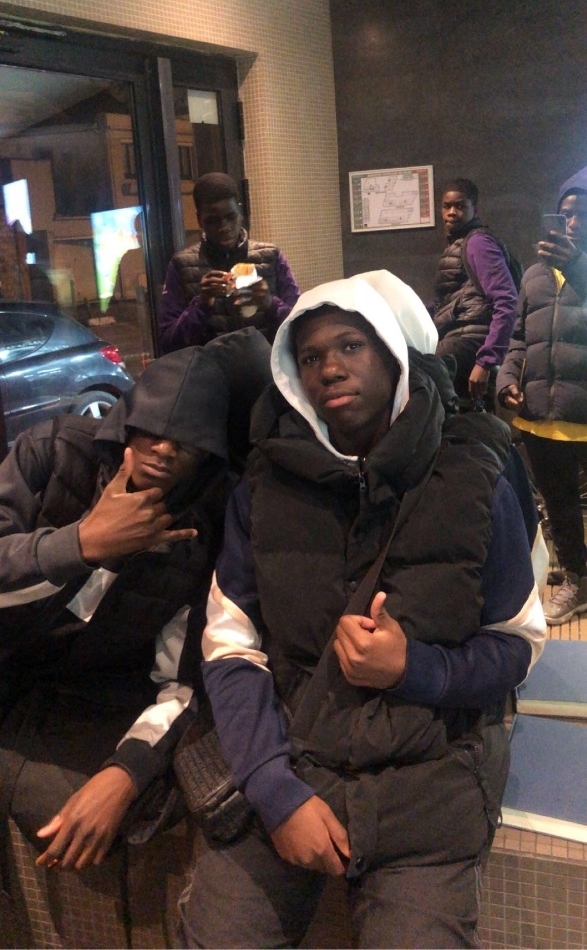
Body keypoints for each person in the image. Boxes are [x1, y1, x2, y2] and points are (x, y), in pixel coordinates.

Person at [177, 271, 546, 949]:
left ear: (393, 355)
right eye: (310, 356)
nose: (329, 368)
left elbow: (517, 642)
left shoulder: (476, 474)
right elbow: (229, 645)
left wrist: (414, 668)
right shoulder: (264, 486)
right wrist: (273, 788)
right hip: (294, 761)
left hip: (429, 786)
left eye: (350, 346)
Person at [0, 328, 271, 872]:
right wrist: (81, 545)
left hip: (91, 703)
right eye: (151, 431)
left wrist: (126, 772)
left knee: (135, 814)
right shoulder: (53, 453)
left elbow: (184, 678)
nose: (165, 449)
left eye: (188, 441)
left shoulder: (208, 527)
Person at [497, 187, 587, 624]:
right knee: (560, 504)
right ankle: (578, 578)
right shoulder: (533, 275)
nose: (573, 223)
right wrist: (506, 379)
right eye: (566, 215)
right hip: (541, 417)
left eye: (583, 215)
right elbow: (518, 338)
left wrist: (578, 267)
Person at [158, 172, 300, 352]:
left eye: (231, 217)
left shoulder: (271, 257)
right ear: (199, 220)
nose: (224, 227)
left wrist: (271, 305)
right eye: (213, 221)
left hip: (267, 367)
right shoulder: (181, 265)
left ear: (240, 212)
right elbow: (167, 344)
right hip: (209, 369)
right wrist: (201, 304)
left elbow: (302, 327)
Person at [432, 178, 518, 409]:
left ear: (474, 209)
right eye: (446, 206)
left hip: (471, 341)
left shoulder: (479, 243)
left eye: (460, 206)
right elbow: (452, 299)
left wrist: (486, 361)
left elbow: (506, 300)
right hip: (459, 337)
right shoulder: (459, 243)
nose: (452, 212)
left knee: (423, 377)